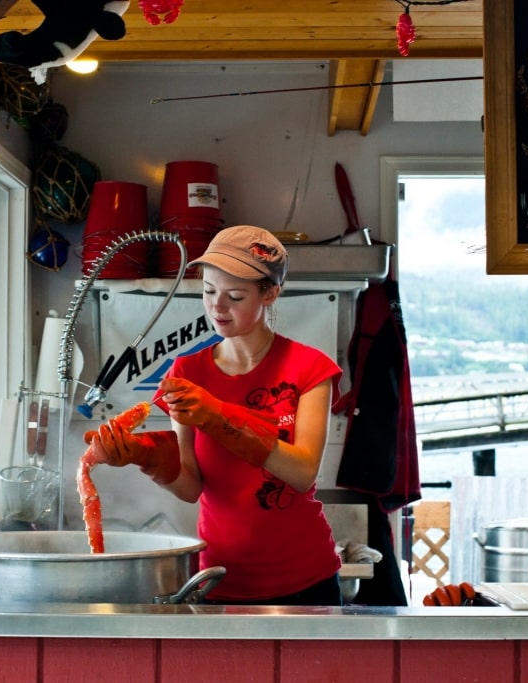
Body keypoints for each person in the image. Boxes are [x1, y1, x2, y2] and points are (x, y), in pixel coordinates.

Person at [86, 225, 344, 605]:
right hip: (220, 578)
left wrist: (218, 416)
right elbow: (190, 487)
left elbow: (303, 473)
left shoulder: (310, 368)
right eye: (208, 292)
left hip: (306, 580)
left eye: (235, 296)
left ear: (270, 293)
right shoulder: (186, 373)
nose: (217, 307)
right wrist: (145, 457)